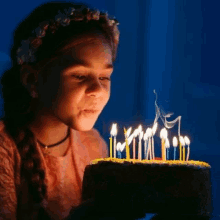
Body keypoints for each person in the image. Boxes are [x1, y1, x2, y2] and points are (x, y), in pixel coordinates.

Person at [0, 1, 120, 219]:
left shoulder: (93, 145)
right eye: (80, 76)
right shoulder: (4, 149)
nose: (97, 90)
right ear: (32, 79)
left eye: (104, 77)